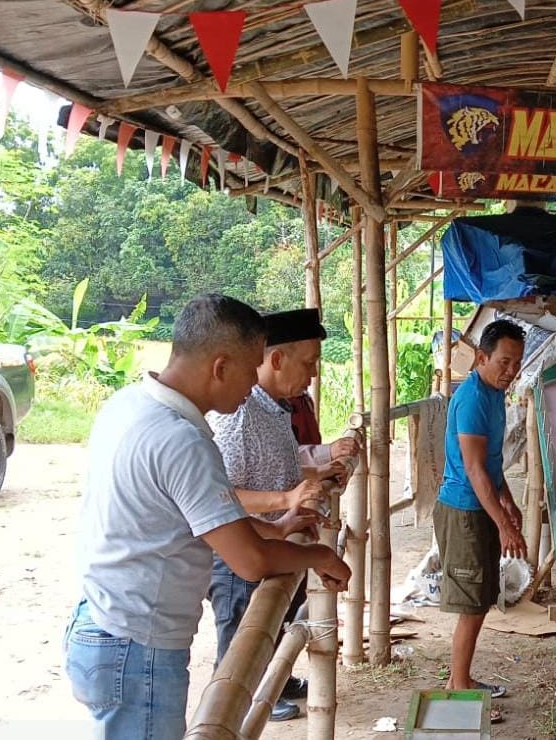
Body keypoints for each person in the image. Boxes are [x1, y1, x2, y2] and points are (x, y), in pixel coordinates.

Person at [64, 294, 351, 740]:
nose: (253, 382)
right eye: (249, 367)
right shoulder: (182, 440)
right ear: (220, 366)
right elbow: (250, 561)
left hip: (106, 626)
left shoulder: (129, 404)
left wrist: (275, 529)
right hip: (136, 647)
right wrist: (317, 555)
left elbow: (203, 514)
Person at [207, 308, 357, 722]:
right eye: (307, 364)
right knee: (241, 633)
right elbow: (223, 494)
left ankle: (279, 675)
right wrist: (285, 500)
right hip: (238, 549)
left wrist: (315, 473)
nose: (311, 376)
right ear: (276, 359)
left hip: (275, 538)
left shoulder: (276, 408)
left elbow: (278, 466)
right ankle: (235, 709)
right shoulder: (239, 414)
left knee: (280, 615)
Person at [435, 318, 528, 698]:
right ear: (481, 357)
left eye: (516, 363)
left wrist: (507, 500)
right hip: (464, 512)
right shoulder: (473, 397)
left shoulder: (493, 395)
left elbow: (490, 462)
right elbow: (473, 469)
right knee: (471, 605)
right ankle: (458, 685)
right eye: (504, 362)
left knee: (480, 598)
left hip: (480, 508)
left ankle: (461, 680)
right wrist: (504, 524)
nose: (511, 371)